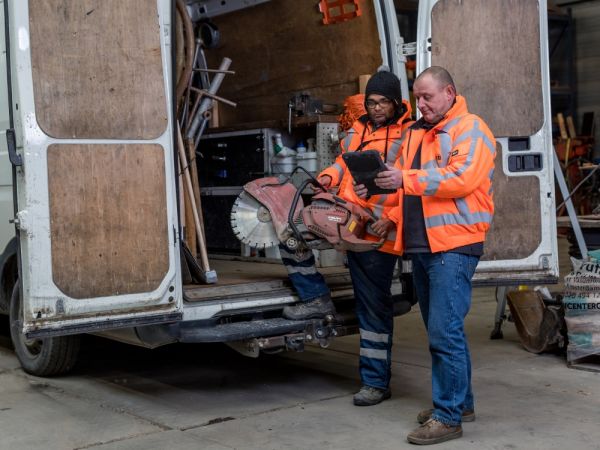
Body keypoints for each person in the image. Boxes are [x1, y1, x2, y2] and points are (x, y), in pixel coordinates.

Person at [373, 66, 495, 445]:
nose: (419, 104)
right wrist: (388, 212)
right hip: (423, 246)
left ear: (449, 93)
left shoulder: (470, 128)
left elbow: (461, 178)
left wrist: (404, 179)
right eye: (416, 96)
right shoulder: (416, 134)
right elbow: (407, 189)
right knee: (442, 330)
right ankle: (462, 404)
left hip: (454, 245)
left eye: (427, 96)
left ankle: (447, 416)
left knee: (444, 332)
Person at [281, 68, 413, 406]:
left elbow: (415, 183)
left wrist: (394, 219)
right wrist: (326, 178)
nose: (376, 108)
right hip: (345, 215)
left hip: (376, 232)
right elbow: (343, 161)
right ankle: (315, 298)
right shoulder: (360, 129)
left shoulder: (411, 135)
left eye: (384, 102)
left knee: (372, 308)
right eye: (371, 102)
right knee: (289, 232)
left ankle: (375, 382)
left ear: (397, 104)